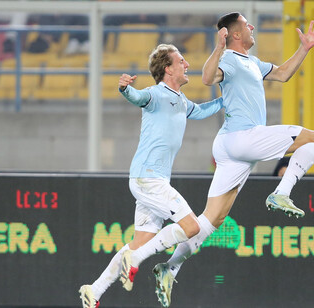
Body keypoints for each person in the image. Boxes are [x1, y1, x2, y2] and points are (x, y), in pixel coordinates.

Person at [151, 12, 314, 307]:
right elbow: (207, 78)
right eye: (247, 25)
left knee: (211, 220)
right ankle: (281, 192)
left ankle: (169, 267)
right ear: (234, 33)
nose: (252, 27)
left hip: (230, 146)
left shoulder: (253, 62)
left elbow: (283, 73)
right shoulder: (229, 58)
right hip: (245, 138)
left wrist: (305, 48)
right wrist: (218, 47)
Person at [78, 43, 223, 308]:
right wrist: (124, 88)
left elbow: (202, 111)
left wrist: (228, 99)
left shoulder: (181, 100)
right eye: (181, 61)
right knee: (192, 227)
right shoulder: (156, 94)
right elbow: (136, 97)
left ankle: (94, 290)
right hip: (148, 178)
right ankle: (135, 260)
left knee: (139, 242)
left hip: (150, 180)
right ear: (168, 69)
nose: (187, 64)